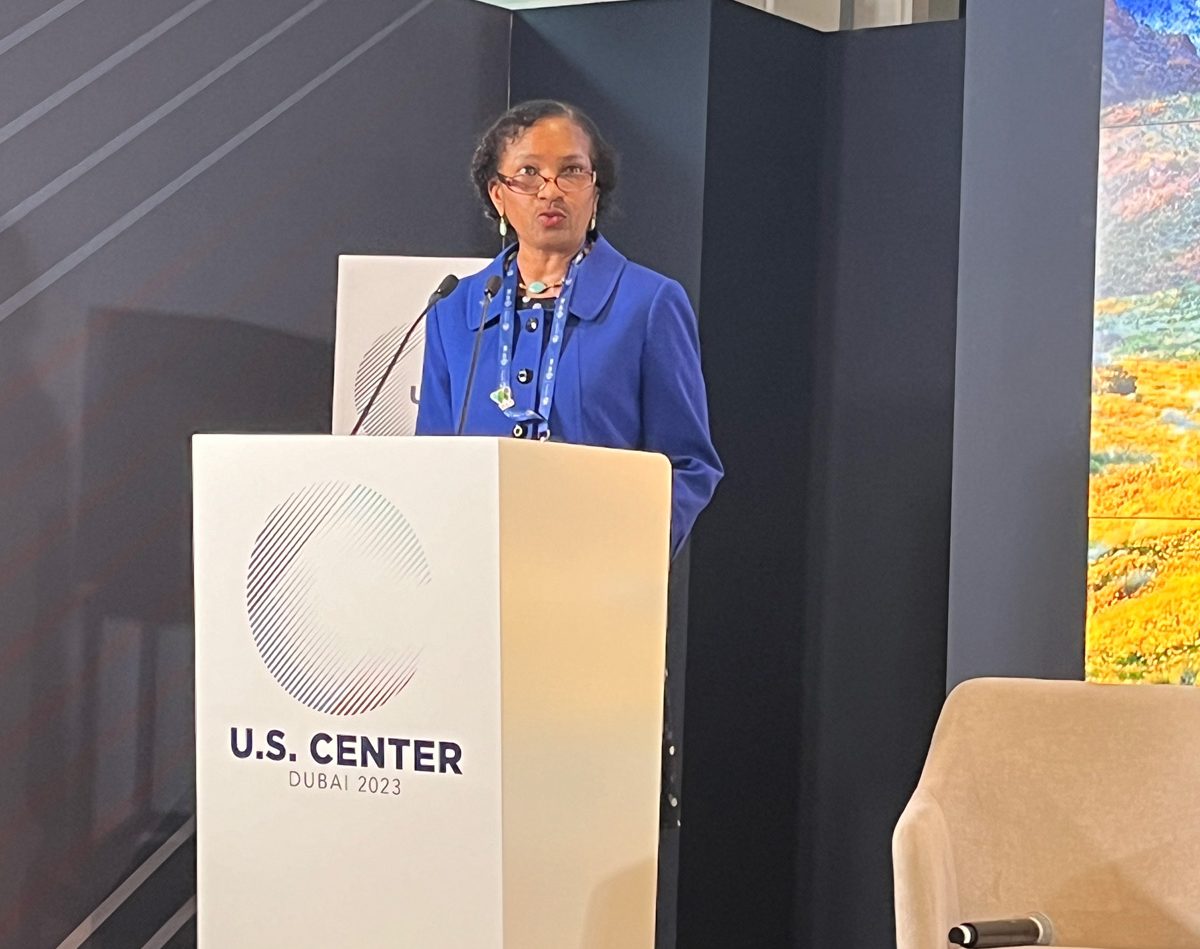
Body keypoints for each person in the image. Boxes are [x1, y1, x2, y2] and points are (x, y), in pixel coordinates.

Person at [415, 100, 721, 556]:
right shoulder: (454, 310)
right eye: (528, 173)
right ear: (498, 195)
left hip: (601, 570)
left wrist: (629, 554)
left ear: (595, 189)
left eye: (572, 171)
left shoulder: (649, 304)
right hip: (475, 566)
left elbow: (688, 465)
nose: (550, 191)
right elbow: (430, 462)